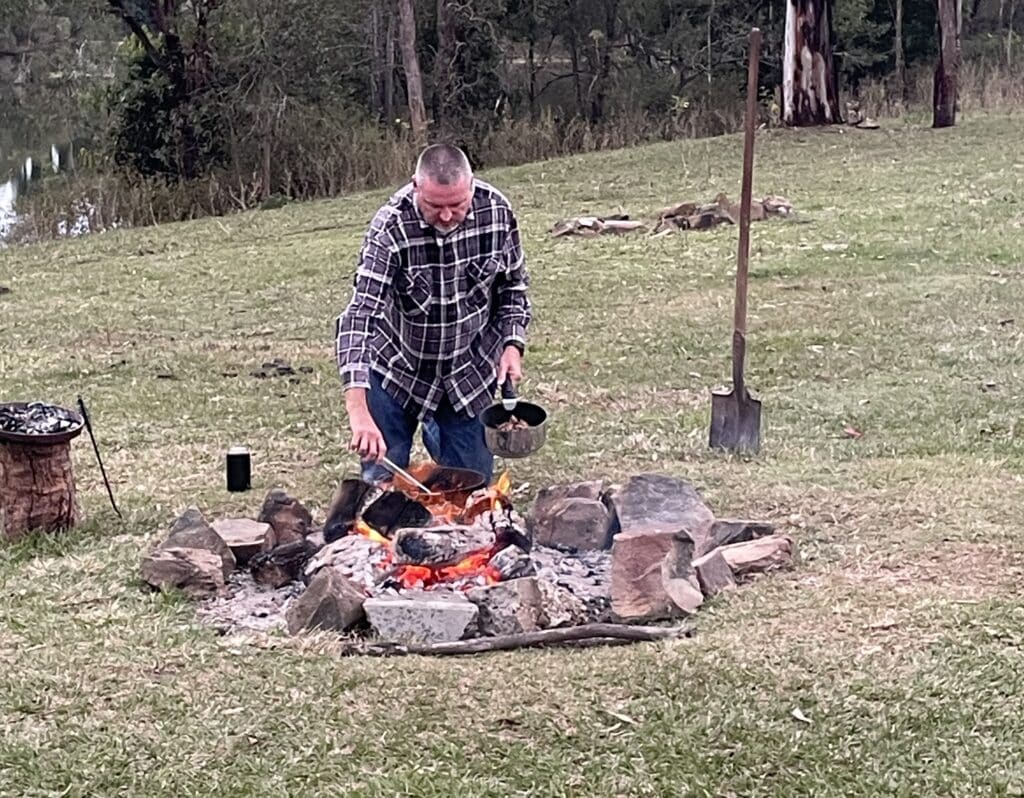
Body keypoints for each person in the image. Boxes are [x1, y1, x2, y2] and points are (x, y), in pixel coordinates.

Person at [335, 143, 531, 485]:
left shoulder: (497, 212)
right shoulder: (389, 228)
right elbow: (359, 316)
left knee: (469, 490)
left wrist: (512, 344)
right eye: (434, 205)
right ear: (415, 186)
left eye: (456, 205)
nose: (445, 216)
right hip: (397, 372)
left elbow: (513, 288)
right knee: (381, 489)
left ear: (471, 186)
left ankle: (438, 430)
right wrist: (358, 409)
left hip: (468, 373)